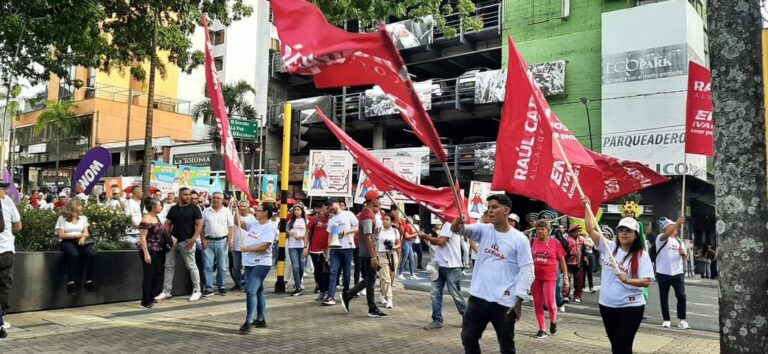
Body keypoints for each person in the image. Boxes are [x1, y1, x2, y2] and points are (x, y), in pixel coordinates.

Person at [452, 194, 534, 354]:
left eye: (494, 207)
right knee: (468, 337)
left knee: (506, 345)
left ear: (506, 210)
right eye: (488, 207)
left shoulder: (520, 239)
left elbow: (528, 269)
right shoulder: (483, 229)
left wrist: (519, 299)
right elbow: (458, 230)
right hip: (478, 298)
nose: (490, 211)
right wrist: (457, 222)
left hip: (504, 302)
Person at [582, 197, 654, 354]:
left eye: (628, 231)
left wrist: (628, 280)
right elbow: (590, 229)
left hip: (631, 307)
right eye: (621, 230)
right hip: (607, 305)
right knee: (616, 345)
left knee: (623, 346)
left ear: (635, 235)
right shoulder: (610, 247)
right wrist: (587, 207)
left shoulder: (641, 255)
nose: (624, 233)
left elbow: (646, 281)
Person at [341, 190, 387, 318]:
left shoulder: (369, 214)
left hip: (370, 251)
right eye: (378, 198)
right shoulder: (367, 216)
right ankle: (372, 308)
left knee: (370, 279)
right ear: (372, 200)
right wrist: (373, 256)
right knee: (371, 281)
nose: (380, 201)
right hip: (368, 253)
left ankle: (349, 294)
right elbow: (367, 237)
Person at [156, 187, 203, 302]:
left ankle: (197, 290)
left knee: (191, 266)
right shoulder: (173, 209)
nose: (188, 197)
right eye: (186, 195)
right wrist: (167, 236)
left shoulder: (194, 208)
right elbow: (168, 224)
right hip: (173, 241)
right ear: (180, 195)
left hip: (187, 241)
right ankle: (166, 291)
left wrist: (193, 239)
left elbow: (200, 225)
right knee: (168, 266)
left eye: (189, 195)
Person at [420, 219, 468, 330]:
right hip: (439, 265)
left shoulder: (449, 224)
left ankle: (467, 318)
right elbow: (439, 243)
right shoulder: (445, 225)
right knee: (435, 293)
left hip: (451, 266)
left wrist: (426, 236)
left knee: (455, 294)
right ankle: (437, 320)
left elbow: (441, 242)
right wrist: (427, 238)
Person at [239, 204, 278, 333]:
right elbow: (237, 222)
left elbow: (264, 247)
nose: (255, 212)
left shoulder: (270, 227)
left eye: (258, 210)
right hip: (249, 262)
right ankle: (261, 319)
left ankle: (249, 320)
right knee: (258, 290)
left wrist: (248, 249)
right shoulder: (253, 224)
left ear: (266, 212)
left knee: (250, 290)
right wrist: (237, 209)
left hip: (262, 262)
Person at [530, 219, 569, 338]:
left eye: (542, 229)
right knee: (537, 303)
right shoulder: (533, 242)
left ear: (548, 231)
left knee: (550, 303)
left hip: (550, 277)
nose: (540, 232)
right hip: (535, 278)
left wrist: (566, 278)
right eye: (537, 229)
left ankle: (553, 321)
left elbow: (562, 261)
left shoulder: (555, 243)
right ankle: (542, 329)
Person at [655, 216, 689, 329]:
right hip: (663, 272)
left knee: (681, 296)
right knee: (663, 297)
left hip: (678, 273)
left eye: (675, 227)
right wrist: (678, 223)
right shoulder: (661, 238)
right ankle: (666, 319)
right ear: (666, 228)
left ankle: (682, 320)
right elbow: (666, 235)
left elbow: (685, 258)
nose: (675, 229)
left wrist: (683, 254)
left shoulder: (680, 241)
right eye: (672, 226)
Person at [56, 198, 96, 295]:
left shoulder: (83, 218)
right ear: (74, 206)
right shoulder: (62, 218)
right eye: (79, 205)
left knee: (91, 254)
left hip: (80, 241)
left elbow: (86, 232)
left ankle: (89, 280)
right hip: (66, 241)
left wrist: (82, 238)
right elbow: (61, 235)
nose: (81, 207)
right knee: (74, 255)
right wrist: (77, 235)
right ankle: (71, 282)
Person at [323, 198, 358, 305]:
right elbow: (329, 236)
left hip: (347, 247)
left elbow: (357, 227)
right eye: (328, 206)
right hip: (335, 249)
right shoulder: (331, 220)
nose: (330, 207)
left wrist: (346, 232)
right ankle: (330, 296)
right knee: (333, 272)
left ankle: (346, 293)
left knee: (346, 274)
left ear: (337, 204)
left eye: (331, 204)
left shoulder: (348, 214)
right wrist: (328, 254)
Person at [201, 192, 235, 296]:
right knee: (207, 266)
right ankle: (209, 287)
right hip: (208, 241)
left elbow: (231, 227)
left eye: (218, 198)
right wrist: (203, 239)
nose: (216, 199)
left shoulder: (227, 211)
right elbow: (200, 227)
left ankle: (221, 286)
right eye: (214, 197)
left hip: (222, 241)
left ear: (222, 200)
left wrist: (231, 240)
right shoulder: (205, 211)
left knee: (222, 266)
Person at [138, 199, 168, 309]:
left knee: (158, 274)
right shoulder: (146, 219)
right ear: (153, 207)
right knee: (149, 275)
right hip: (150, 249)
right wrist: (146, 253)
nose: (161, 207)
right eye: (160, 205)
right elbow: (142, 237)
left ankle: (152, 295)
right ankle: (146, 300)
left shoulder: (156, 217)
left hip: (159, 249)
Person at [0, 182, 22, 332]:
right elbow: (18, 226)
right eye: (3, 189)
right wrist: (8, 235)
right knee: (4, 284)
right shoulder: (7, 202)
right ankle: (1, 318)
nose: (5, 191)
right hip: (6, 250)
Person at [306, 204, 330, 301]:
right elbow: (307, 232)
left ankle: (328, 291)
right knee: (318, 271)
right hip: (314, 250)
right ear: (320, 209)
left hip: (326, 250)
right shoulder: (314, 219)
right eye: (323, 208)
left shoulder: (332, 219)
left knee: (326, 271)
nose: (325, 210)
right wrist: (305, 247)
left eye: (327, 208)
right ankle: (322, 290)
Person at [376, 214, 400, 309]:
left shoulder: (395, 231)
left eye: (387, 219)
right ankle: (389, 298)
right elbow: (374, 243)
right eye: (383, 219)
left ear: (391, 221)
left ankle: (382, 293)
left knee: (392, 276)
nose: (384, 221)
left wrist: (393, 247)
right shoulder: (378, 230)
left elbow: (399, 244)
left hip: (392, 254)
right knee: (386, 278)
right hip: (382, 255)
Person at [231, 201, 255, 291]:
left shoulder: (252, 218)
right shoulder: (235, 216)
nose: (242, 208)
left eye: (244, 206)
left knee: (247, 265)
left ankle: (246, 282)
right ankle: (238, 283)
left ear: (248, 207)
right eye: (241, 206)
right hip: (236, 245)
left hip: (247, 246)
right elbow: (232, 225)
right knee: (236, 266)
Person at [287, 205, 308, 296]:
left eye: (298, 210)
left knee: (302, 267)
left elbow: (309, 234)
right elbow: (286, 230)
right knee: (295, 266)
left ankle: (298, 282)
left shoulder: (306, 221)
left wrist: (302, 237)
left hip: (302, 246)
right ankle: (298, 286)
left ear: (302, 211)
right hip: (292, 246)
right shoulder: (290, 222)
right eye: (295, 210)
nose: (296, 211)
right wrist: (291, 233)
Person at [564, 225, 586, 303]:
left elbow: (584, 250)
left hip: (579, 263)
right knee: (567, 279)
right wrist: (573, 254)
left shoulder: (582, 239)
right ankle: (566, 295)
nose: (579, 233)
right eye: (578, 231)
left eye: (580, 231)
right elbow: (564, 252)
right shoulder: (567, 240)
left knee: (579, 280)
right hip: (568, 263)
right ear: (573, 232)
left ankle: (577, 296)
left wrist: (585, 258)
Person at [398, 214, 418, 280]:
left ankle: (412, 274)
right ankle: (400, 273)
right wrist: (414, 234)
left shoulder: (407, 226)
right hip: (406, 243)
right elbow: (406, 236)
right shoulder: (406, 226)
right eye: (412, 220)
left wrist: (413, 234)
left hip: (409, 243)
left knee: (411, 259)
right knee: (404, 259)